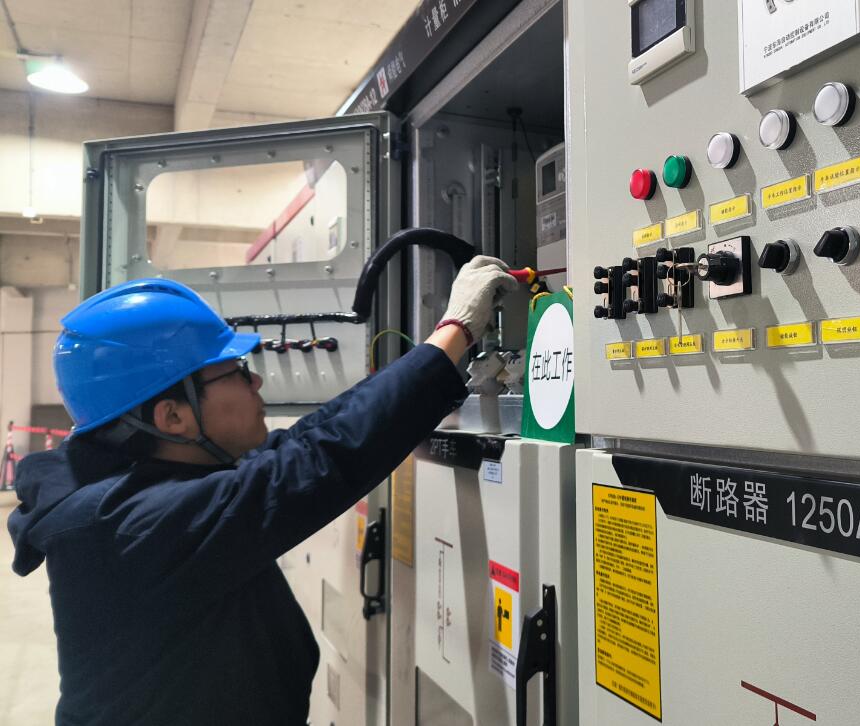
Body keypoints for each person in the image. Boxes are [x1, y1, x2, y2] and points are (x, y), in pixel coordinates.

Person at [6, 256, 517, 725]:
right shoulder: (131, 527)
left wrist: (437, 354)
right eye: (236, 373)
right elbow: (317, 462)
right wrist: (454, 333)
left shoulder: (133, 491)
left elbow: (307, 440)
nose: (255, 385)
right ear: (172, 416)